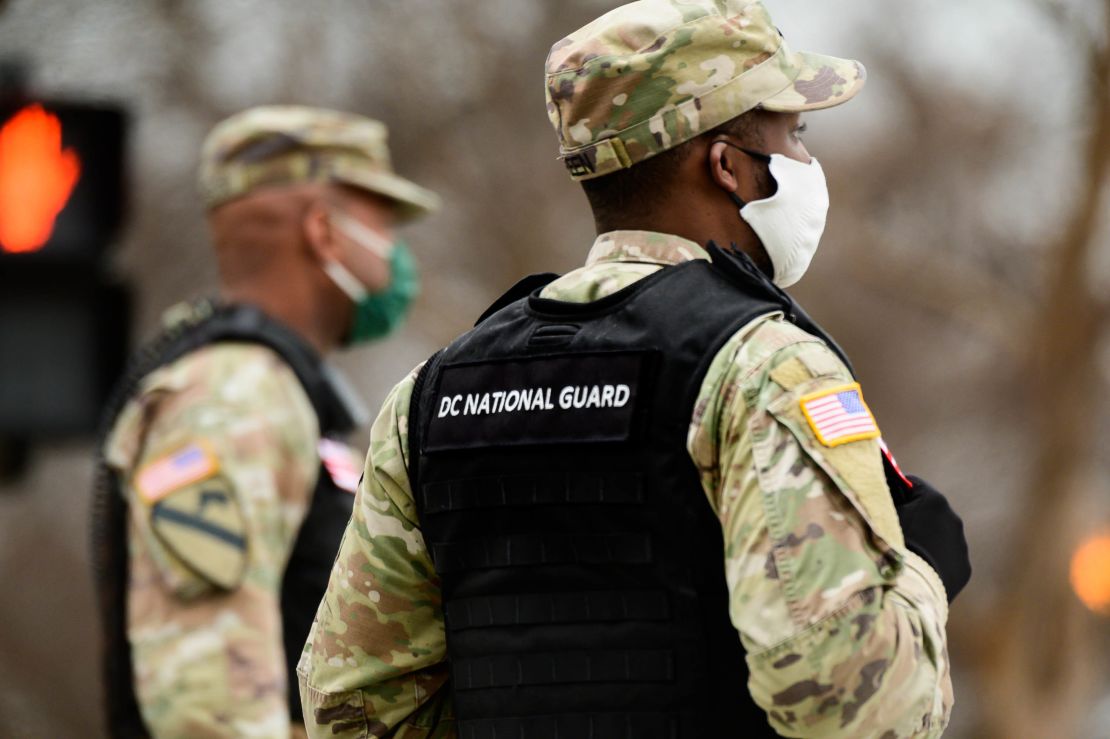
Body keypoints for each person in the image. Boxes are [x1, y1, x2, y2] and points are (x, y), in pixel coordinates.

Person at [298, 2, 971, 737]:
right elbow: (847, 703)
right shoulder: (761, 367)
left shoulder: (429, 396)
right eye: (794, 134)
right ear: (728, 166)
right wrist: (924, 572)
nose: (808, 162)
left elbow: (353, 702)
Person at [91, 105, 439, 738]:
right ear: (324, 233)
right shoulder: (231, 398)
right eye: (383, 225)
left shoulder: (273, 391)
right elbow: (209, 702)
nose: (396, 254)